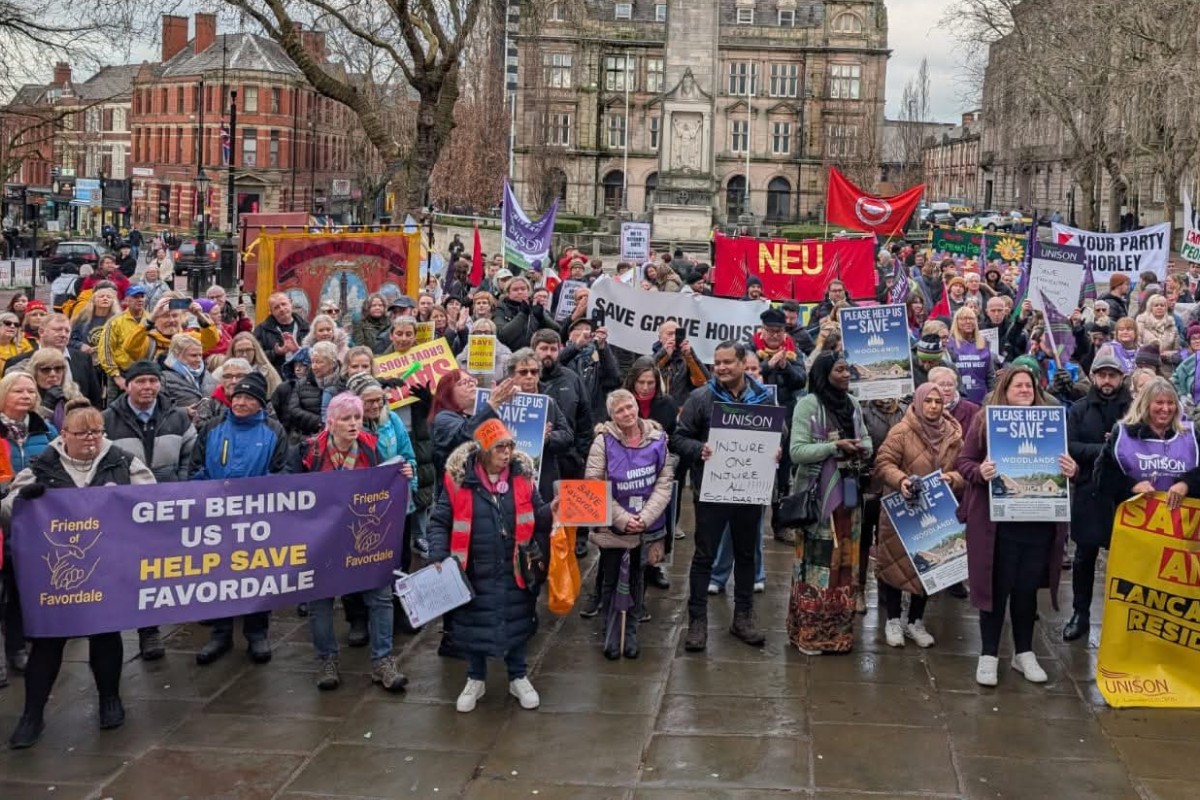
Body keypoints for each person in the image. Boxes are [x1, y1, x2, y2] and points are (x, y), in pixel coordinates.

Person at [2, 399, 155, 748]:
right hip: (55, 574)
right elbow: (7, 514)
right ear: (64, 435)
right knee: (48, 642)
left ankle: (109, 700)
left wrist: (128, 499)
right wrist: (23, 498)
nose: (91, 439)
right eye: (83, 433)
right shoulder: (43, 465)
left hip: (108, 567)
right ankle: (32, 714)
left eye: (97, 432)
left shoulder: (122, 460)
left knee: (106, 635)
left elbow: (155, 502)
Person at [955, 364, 1078, 686]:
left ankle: (1024, 653)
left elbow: (1066, 466)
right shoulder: (985, 419)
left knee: (1026, 591)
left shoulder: (1051, 422)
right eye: (1018, 386)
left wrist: (1071, 468)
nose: (1025, 390)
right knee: (994, 589)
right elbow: (964, 462)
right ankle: (989, 655)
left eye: (1030, 386)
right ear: (1005, 390)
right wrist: (980, 472)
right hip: (996, 525)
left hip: (1037, 522)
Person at [428, 421, 555, 713]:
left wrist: (552, 510)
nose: (507, 453)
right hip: (473, 568)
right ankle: (475, 679)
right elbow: (440, 520)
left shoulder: (523, 478)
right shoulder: (458, 480)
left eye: (510, 446)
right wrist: (437, 553)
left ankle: (518, 676)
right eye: (500, 447)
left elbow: (537, 514)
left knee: (518, 621)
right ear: (484, 451)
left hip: (516, 566)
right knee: (473, 626)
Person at [293, 392, 412, 692]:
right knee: (320, 601)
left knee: (381, 598)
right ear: (330, 422)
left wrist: (403, 473)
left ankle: (383, 661)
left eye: (357, 418)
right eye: (346, 418)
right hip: (321, 540)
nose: (353, 424)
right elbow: (289, 490)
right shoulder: (310, 451)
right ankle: (327, 659)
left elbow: (387, 484)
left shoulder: (372, 448)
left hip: (363, 537)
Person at [673, 341, 776, 652]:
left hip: (748, 491)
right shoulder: (701, 398)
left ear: (743, 363)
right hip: (711, 492)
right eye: (717, 362)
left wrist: (777, 449)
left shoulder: (763, 399)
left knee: (746, 555)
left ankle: (743, 617)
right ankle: (697, 621)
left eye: (728, 362)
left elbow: (777, 433)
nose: (721, 367)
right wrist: (698, 449)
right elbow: (677, 438)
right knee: (704, 556)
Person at [190, 372, 290, 665]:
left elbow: (281, 472)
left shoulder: (273, 430)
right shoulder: (212, 427)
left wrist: (256, 496)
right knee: (218, 575)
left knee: (257, 574)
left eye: (248, 398)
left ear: (260, 403)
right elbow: (196, 468)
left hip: (257, 518)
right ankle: (220, 633)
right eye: (237, 397)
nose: (241, 403)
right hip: (216, 518)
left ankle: (257, 632)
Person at [103, 360, 196, 661]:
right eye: (140, 381)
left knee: (162, 568)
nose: (147, 387)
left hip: (170, 503)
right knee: (134, 569)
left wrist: (180, 488)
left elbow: (190, 454)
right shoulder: (108, 419)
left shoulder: (178, 417)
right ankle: (147, 629)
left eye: (152, 381)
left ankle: (152, 625)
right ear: (127, 385)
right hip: (127, 508)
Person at [787, 352, 873, 654]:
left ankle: (838, 635)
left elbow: (867, 440)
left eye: (848, 369)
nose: (847, 374)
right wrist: (834, 446)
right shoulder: (807, 405)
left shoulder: (852, 404)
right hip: (818, 500)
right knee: (818, 566)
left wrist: (860, 449)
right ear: (825, 374)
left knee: (843, 567)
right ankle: (810, 635)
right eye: (840, 370)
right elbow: (797, 451)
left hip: (848, 500)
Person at [872, 383, 965, 648]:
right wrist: (900, 480)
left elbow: (966, 467)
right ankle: (892, 619)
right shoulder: (901, 431)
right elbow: (883, 462)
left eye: (938, 401)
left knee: (931, 564)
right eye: (929, 401)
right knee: (894, 566)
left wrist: (953, 479)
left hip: (937, 511)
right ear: (919, 402)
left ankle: (915, 620)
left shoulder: (954, 435)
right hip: (902, 510)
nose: (934, 406)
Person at [585, 389, 674, 659]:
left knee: (638, 578)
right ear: (612, 416)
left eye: (630, 407)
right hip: (614, 525)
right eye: (620, 410)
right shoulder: (603, 441)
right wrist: (623, 519)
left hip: (648, 523)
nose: (627, 413)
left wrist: (644, 518)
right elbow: (594, 484)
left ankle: (631, 629)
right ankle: (612, 631)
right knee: (612, 577)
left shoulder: (658, 439)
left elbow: (664, 482)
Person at [1062, 346, 1131, 641]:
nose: (1107, 380)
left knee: (1125, 560)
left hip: (1124, 495)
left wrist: (1116, 449)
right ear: (1093, 376)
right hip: (1089, 491)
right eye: (1102, 374)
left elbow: (1139, 448)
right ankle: (1080, 612)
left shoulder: (1134, 408)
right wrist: (1107, 449)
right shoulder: (1079, 409)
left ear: (1121, 378)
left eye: (1112, 375)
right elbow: (1070, 447)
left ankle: (1123, 617)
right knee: (1084, 558)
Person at [429, 369, 512, 481]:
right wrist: (492, 404)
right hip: (457, 491)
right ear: (448, 393)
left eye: (472, 380)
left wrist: (507, 402)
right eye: (464, 382)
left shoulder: (469, 416)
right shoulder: (443, 418)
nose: (471, 384)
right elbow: (465, 436)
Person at [653, 319, 710, 407]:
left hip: (681, 411)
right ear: (660, 338)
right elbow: (649, 371)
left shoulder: (687, 358)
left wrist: (690, 355)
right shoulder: (653, 357)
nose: (674, 337)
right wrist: (664, 353)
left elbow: (704, 382)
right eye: (670, 334)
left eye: (677, 334)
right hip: (658, 409)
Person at [160, 334, 218, 418]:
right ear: (177, 355)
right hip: (180, 427)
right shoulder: (164, 378)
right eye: (193, 355)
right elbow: (159, 408)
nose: (198, 360)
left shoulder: (207, 375)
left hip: (207, 426)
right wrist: (183, 412)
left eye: (200, 355)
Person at [947, 307, 996, 404]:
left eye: (971, 318)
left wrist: (993, 397)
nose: (968, 321)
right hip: (958, 400)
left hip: (982, 399)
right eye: (963, 319)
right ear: (956, 322)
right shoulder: (949, 343)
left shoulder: (984, 343)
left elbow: (990, 375)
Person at [253, 292, 310, 372]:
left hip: (303, 374)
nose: (282, 309)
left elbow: (315, 353)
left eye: (284, 304)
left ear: (290, 303)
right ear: (271, 311)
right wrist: (275, 353)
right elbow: (254, 356)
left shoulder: (306, 327)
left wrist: (299, 350)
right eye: (276, 307)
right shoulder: (262, 330)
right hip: (275, 376)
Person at [24, 347, 78, 429]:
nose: (53, 374)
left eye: (58, 369)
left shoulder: (73, 393)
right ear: (34, 372)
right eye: (45, 370)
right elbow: (28, 429)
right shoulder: (25, 395)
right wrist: (46, 407)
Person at [454, 318, 512, 388]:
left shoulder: (506, 357)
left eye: (487, 332)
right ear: (472, 335)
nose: (482, 335)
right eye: (478, 332)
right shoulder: (461, 359)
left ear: (493, 335)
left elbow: (509, 383)